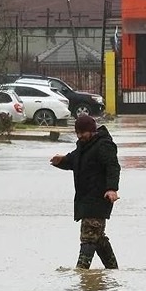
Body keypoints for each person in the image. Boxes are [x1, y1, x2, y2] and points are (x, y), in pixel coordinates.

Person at [50, 115, 121, 269]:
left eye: (82, 132)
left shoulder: (104, 145)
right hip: (85, 199)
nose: (80, 136)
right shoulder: (84, 146)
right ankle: (113, 270)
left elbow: (113, 167)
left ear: (92, 131)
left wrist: (112, 189)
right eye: (77, 133)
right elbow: (74, 160)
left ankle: (81, 271)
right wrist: (61, 161)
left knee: (88, 237)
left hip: (99, 199)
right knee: (97, 237)